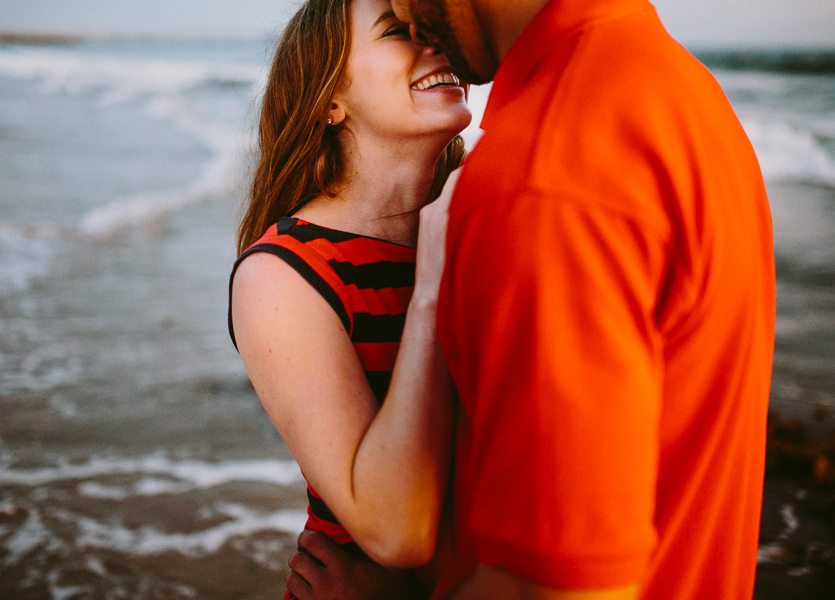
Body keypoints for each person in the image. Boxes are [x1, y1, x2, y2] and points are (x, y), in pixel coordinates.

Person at [293, 0, 778, 599]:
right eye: (390, 26)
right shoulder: (676, 87)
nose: (411, 19)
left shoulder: (542, 181)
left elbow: (552, 588)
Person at [227, 0, 472, 597]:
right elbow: (397, 530)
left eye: (433, 27)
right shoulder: (284, 274)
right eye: (398, 32)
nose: (436, 43)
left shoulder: (484, 220)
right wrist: (433, 284)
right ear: (330, 99)